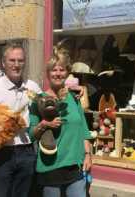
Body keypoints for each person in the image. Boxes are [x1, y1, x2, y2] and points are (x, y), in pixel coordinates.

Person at [0, 42, 42, 197]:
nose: (16, 65)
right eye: (12, 60)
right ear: (3, 63)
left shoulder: (33, 88)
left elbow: (48, 110)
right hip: (1, 154)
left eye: (20, 60)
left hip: (27, 151)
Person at [28, 47, 93, 197]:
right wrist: (44, 124)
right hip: (51, 166)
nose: (58, 73)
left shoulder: (74, 98)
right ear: (48, 73)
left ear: (67, 72)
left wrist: (88, 155)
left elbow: (83, 130)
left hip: (75, 165)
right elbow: (31, 134)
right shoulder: (39, 101)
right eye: (54, 70)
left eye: (61, 69)